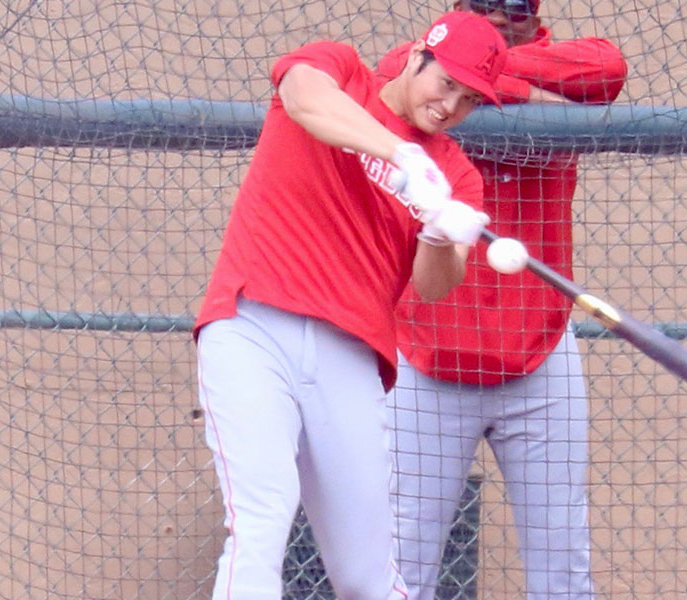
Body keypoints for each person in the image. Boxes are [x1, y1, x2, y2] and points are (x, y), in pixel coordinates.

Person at [193, 11, 507, 600]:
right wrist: (400, 155)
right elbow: (305, 98)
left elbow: (437, 285)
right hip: (252, 325)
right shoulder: (340, 69)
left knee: (367, 574)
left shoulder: (457, 176)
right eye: (446, 84)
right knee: (262, 519)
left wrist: (440, 234)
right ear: (418, 56)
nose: (449, 107)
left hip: (350, 357)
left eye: (469, 100)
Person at [378, 2, 628, 599]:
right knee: (399, 564)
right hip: (428, 356)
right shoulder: (420, 61)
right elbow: (391, 68)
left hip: (540, 357)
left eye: (513, 5)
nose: (499, 15)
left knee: (562, 567)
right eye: (482, 6)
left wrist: (492, 65)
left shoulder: (560, 61)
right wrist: (487, 71)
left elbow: (608, 68)